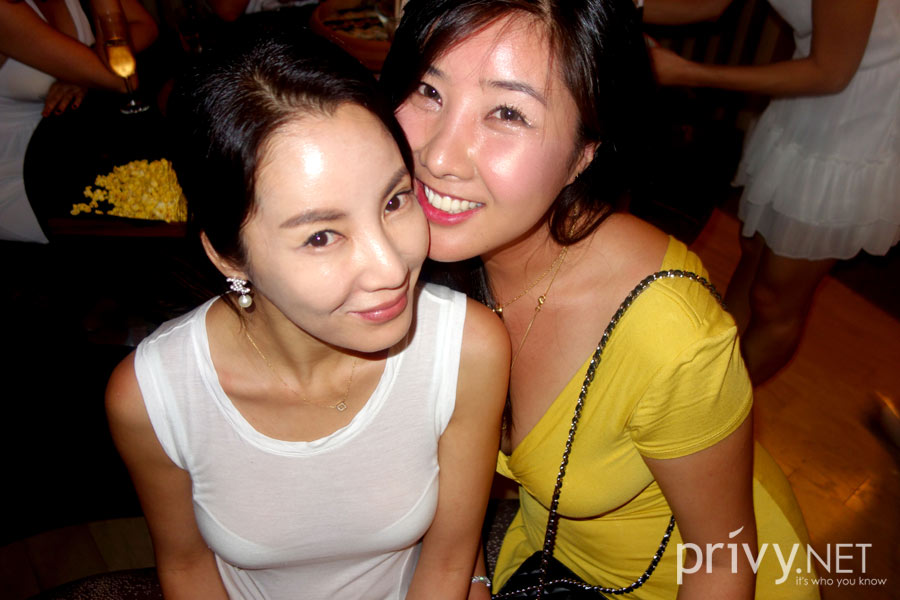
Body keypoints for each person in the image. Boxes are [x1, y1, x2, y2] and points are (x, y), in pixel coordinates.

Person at [382, 0, 818, 597]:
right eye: (429, 91)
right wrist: (473, 577)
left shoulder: (670, 333)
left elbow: (723, 562)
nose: (437, 157)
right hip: (547, 558)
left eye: (507, 112)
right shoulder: (412, 244)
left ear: (584, 152)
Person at [105, 24, 508, 599]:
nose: (390, 268)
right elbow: (187, 567)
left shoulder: (468, 350)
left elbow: (449, 562)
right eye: (321, 236)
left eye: (394, 200)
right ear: (228, 255)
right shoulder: (154, 398)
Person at [645, 0, 900, 384]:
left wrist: (688, 72)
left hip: (863, 110)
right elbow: (712, 3)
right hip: (810, 87)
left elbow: (831, 73)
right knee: (753, 250)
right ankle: (705, 377)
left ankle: (716, 407)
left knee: (775, 297)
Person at [0, 0, 158, 243]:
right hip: (18, 172)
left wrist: (83, 67)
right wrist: (90, 69)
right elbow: (121, 79)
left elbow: (145, 25)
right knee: (145, 226)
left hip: (73, 149)